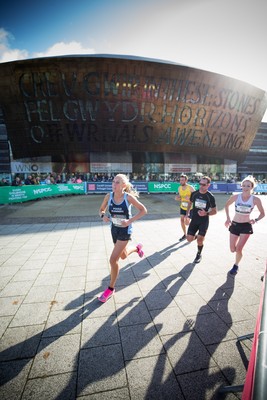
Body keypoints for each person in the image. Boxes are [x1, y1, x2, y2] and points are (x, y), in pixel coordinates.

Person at [98, 174, 147, 302]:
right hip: (114, 229)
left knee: (113, 260)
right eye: (113, 182)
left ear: (124, 186)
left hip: (125, 230)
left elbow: (143, 210)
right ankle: (137, 248)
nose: (114, 184)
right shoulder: (108, 196)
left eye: (118, 182)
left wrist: (129, 221)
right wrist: (102, 216)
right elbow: (101, 210)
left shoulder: (128, 198)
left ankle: (110, 288)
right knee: (123, 255)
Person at [225, 175, 265, 275]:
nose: (246, 188)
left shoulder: (255, 199)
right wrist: (228, 218)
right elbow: (226, 205)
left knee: (239, 249)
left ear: (252, 187)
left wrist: (255, 220)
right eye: (244, 185)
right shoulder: (235, 197)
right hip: (234, 225)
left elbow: (262, 214)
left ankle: (236, 266)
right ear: (241, 186)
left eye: (248, 186)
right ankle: (236, 257)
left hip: (246, 226)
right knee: (232, 249)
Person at [185, 176, 217, 263]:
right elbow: (190, 203)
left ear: (208, 185)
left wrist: (206, 213)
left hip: (204, 221)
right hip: (194, 220)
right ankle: (198, 237)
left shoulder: (210, 196)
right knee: (189, 239)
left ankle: (199, 254)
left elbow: (214, 211)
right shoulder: (194, 194)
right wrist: (187, 215)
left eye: (203, 184)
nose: (201, 186)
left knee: (199, 240)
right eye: (200, 184)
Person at [175, 174, 195, 241]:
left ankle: (192, 232)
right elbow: (180, 197)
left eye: (182, 180)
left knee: (187, 222)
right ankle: (185, 234)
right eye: (180, 180)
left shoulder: (190, 187)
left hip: (190, 208)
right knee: (182, 220)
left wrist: (190, 198)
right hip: (183, 207)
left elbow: (196, 196)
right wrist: (178, 198)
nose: (181, 181)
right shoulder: (179, 188)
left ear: (186, 180)